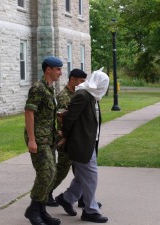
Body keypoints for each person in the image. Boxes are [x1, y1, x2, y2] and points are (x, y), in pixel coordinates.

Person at [55, 68, 109, 223]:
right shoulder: (83, 95)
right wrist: (65, 136)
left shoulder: (89, 95)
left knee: (81, 177)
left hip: (87, 142)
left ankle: (66, 198)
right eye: (104, 85)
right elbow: (69, 119)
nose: (104, 89)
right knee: (91, 176)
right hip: (81, 143)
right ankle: (90, 210)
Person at [24, 56, 63, 225]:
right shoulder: (38, 88)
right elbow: (29, 112)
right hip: (38, 138)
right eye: (58, 69)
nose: (61, 73)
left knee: (51, 173)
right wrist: (32, 140)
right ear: (49, 69)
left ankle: (41, 210)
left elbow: (46, 115)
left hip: (49, 138)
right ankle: (33, 210)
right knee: (46, 173)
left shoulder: (50, 89)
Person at [47, 68, 87, 207]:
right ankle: (46, 194)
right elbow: (62, 119)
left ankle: (84, 198)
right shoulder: (64, 96)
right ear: (73, 80)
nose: (83, 84)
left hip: (76, 138)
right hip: (66, 138)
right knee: (62, 170)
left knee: (81, 170)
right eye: (81, 81)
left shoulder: (78, 94)